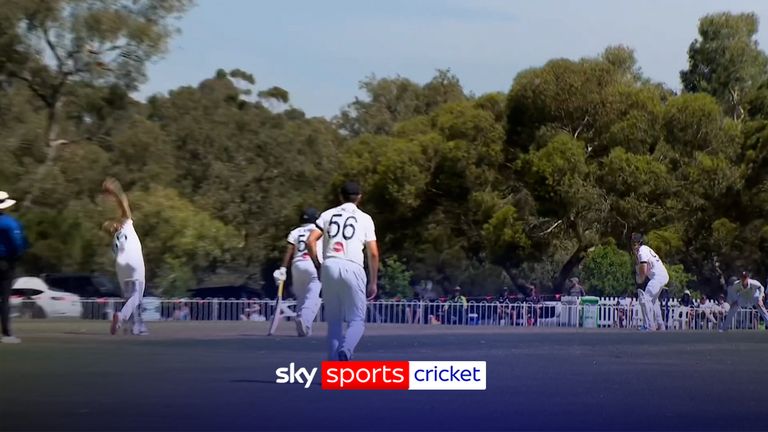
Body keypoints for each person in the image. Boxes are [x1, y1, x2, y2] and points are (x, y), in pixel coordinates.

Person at [307, 181, 379, 361]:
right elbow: (373, 253)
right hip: (353, 266)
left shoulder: (328, 214)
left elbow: (311, 241)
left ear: (340, 196)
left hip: (330, 265)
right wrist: (373, 281)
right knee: (356, 320)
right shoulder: (365, 219)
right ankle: (347, 349)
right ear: (360, 197)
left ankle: (333, 371)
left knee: (334, 322)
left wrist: (318, 263)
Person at [102, 178, 148, 336]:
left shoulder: (115, 237)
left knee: (130, 296)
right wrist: (115, 190)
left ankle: (136, 326)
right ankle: (122, 317)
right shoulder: (126, 224)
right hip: (133, 260)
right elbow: (123, 202)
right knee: (137, 295)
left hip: (120, 265)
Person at [273, 208, 323, 337]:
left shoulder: (295, 232)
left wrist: (283, 269)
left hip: (297, 265)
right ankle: (304, 318)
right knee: (313, 295)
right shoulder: (318, 231)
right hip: (312, 263)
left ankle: (305, 328)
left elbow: (289, 250)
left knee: (301, 297)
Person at [0, 191, 28, 344]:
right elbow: (18, 244)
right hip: (5, 263)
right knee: (4, 300)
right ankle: (6, 333)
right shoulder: (10, 223)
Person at [632, 232, 669, 332]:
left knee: (645, 299)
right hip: (662, 276)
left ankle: (649, 325)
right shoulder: (646, 249)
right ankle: (660, 325)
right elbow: (645, 267)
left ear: (638, 243)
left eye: (634, 243)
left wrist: (640, 279)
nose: (633, 246)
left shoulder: (641, 252)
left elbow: (643, 271)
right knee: (653, 301)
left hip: (658, 277)